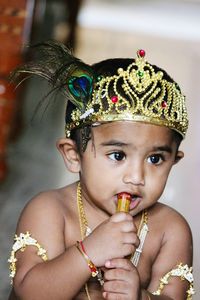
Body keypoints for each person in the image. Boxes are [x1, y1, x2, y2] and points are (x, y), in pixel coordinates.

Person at [8, 41, 195, 300]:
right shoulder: (50, 211)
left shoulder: (170, 230)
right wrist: (89, 252)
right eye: (118, 155)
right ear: (74, 156)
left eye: (155, 159)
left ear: (174, 160)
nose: (136, 177)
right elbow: (29, 293)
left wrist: (141, 297)